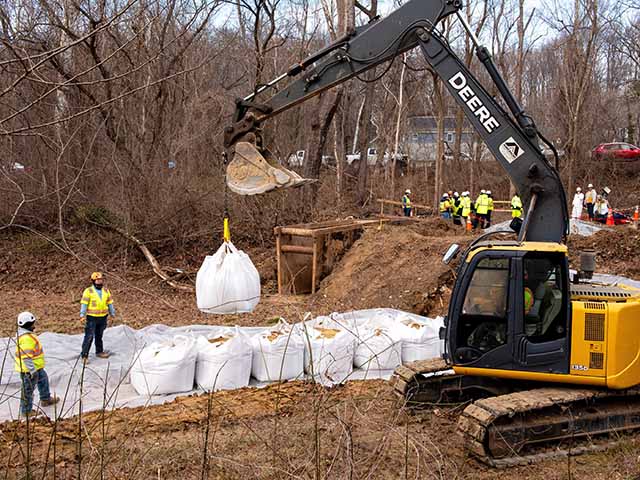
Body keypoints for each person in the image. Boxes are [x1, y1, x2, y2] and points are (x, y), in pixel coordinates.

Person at [15, 311, 59, 417]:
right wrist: (32, 370)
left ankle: (45, 398)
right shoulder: (26, 339)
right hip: (29, 370)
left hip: (37, 367)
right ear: (29, 325)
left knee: (43, 380)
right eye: (33, 323)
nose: (34, 325)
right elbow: (26, 357)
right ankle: (26, 411)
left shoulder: (27, 335)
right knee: (28, 390)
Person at [80, 272, 116, 361]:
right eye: (98, 280)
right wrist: (82, 315)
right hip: (92, 318)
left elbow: (110, 303)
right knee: (89, 336)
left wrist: (112, 313)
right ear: (93, 281)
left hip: (103, 317)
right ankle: (84, 355)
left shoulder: (106, 291)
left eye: (101, 280)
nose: (100, 282)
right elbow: (84, 304)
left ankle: (99, 351)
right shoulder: (88, 291)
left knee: (99, 335)